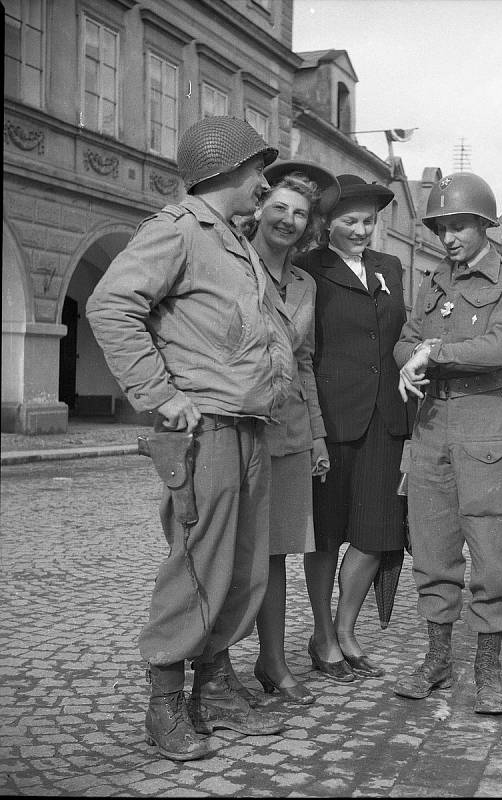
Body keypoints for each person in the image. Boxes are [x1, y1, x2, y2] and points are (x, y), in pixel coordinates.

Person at [86, 116, 295, 761]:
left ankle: (214, 685)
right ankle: (167, 704)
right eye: (258, 170)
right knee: (199, 564)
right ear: (226, 172)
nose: (264, 183)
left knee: (240, 564)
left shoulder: (231, 242)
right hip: (205, 429)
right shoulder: (176, 231)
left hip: (248, 426)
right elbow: (110, 305)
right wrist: (160, 395)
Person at [393, 172, 502, 715]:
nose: (448, 237)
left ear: (485, 226)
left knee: (489, 550)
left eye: (459, 226)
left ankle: (488, 667)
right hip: (431, 427)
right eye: (441, 227)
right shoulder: (434, 283)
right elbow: (408, 336)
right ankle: (437, 658)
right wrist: (409, 359)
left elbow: (500, 346)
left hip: (487, 424)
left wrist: (434, 354)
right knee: (431, 544)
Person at [294, 174, 412, 683]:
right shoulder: (307, 270)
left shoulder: (390, 268)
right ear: (326, 224)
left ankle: (347, 630)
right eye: (350, 221)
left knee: (375, 533)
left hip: (386, 420)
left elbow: (398, 334)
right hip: (331, 418)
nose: (362, 230)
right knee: (325, 535)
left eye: (369, 221)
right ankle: (322, 635)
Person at [241, 161, 340, 705]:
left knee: (278, 550)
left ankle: (272, 660)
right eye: (279, 207)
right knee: (237, 551)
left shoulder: (305, 283)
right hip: (240, 424)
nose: (288, 219)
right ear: (258, 208)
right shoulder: (234, 261)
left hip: (292, 431)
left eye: (299, 214)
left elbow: (305, 362)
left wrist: (319, 436)